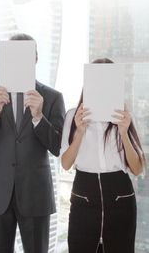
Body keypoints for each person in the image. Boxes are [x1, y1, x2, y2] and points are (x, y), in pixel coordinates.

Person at [0, 33, 66, 253]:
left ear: (35, 59)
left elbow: (58, 146)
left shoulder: (52, 97)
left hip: (35, 192)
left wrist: (38, 117)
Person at [61, 58, 145, 253]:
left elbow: (138, 167)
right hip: (83, 196)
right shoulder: (73, 116)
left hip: (120, 197)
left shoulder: (123, 117)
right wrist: (80, 132)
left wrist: (123, 132)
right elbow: (66, 164)